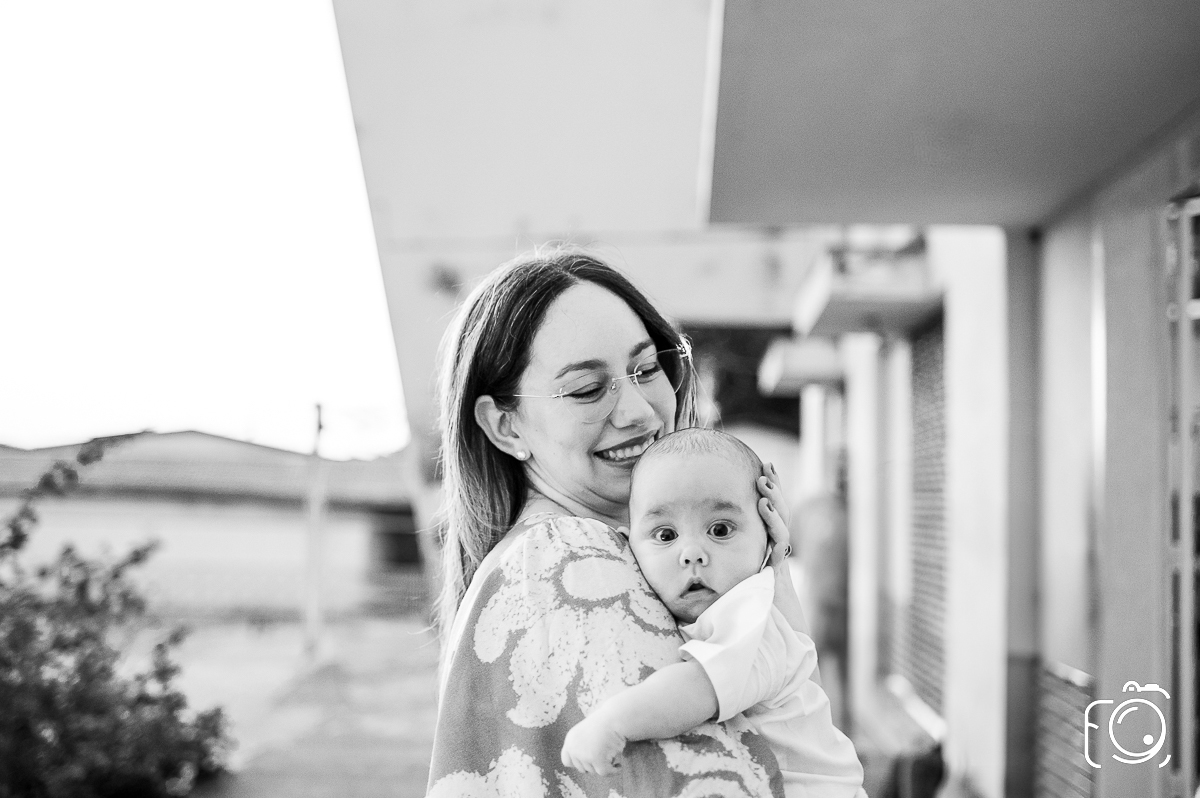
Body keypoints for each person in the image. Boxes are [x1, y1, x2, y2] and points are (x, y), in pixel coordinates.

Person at [426, 248, 795, 797]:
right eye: (586, 390)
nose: (640, 412)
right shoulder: (568, 560)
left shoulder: (585, 554)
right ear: (505, 426)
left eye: (646, 370)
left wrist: (766, 572)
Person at [560, 428, 867, 798]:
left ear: (768, 538)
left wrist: (612, 722)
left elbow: (697, 689)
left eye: (720, 530)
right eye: (665, 535)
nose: (692, 553)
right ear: (628, 546)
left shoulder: (751, 615)